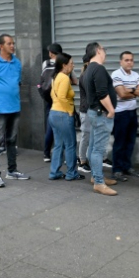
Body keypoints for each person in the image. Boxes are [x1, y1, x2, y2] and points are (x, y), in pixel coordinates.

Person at [0, 34, 30, 187]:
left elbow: (18, 83)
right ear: (1, 46)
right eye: (9, 43)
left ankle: (12, 170)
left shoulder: (17, 63)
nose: (13, 46)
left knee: (11, 140)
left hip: (14, 107)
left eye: (13, 43)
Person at [83, 42, 119, 196]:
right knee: (98, 149)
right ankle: (98, 182)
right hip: (101, 113)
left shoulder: (88, 69)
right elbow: (102, 93)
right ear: (98, 51)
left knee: (92, 146)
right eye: (104, 49)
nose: (105, 52)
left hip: (94, 112)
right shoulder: (98, 69)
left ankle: (95, 176)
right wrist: (111, 110)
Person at [48, 52, 84, 182]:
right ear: (64, 65)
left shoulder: (55, 77)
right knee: (70, 145)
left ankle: (54, 172)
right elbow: (62, 97)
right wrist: (69, 111)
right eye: (71, 63)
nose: (73, 65)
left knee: (59, 144)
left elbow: (54, 95)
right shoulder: (63, 78)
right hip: (63, 114)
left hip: (54, 113)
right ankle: (71, 173)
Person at [111, 51, 139, 181]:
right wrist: (134, 91)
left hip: (132, 112)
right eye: (126, 60)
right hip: (120, 113)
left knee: (130, 141)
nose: (129, 62)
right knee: (120, 142)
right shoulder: (116, 74)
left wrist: (129, 90)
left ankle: (126, 167)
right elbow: (122, 94)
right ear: (121, 62)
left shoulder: (135, 75)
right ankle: (117, 170)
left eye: (131, 60)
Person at [41, 43, 60, 163]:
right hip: (61, 99)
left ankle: (46, 153)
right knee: (62, 128)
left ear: (50, 53)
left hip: (49, 98)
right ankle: (60, 153)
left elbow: (42, 80)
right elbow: (73, 80)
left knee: (50, 126)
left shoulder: (45, 63)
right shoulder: (65, 62)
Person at [77, 55, 92, 173]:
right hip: (86, 110)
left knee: (92, 135)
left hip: (91, 110)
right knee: (86, 135)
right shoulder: (85, 75)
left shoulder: (88, 74)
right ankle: (82, 160)